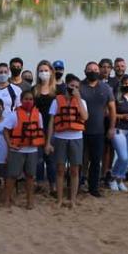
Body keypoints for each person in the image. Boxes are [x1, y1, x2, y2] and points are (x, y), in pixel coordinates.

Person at [46, 74, 87, 208]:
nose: (73, 88)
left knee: (74, 170)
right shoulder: (56, 101)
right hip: (60, 138)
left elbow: (85, 117)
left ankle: (73, 200)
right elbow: (51, 123)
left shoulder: (82, 102)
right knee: (60, 169)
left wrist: (78, 98)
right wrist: (48, 142)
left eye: (76, 87)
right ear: (66, 86)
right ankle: (59, 200)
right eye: (71, 86)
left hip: (76, 138)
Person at [2, 88, 43, 209]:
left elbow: (39, 130)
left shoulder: (38, 115)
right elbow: (5, 130)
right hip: (17, 150)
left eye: (31, 99)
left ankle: (30, 201)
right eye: (26, 99)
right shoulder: (14, 115)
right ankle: (7, 200)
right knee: (12, 176)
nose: (28, 102)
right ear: (21, 100)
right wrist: (9, 144)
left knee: (30, 176)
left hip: (32, 150)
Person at [79, 60, 112, 198]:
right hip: (80, 131)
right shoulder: (79, 87)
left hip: (98, 131)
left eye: (95, 69)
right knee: (81, 160)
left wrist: (112, 127)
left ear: (99, 72)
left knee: (96, 160)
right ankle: (79, 183)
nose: (93, 72)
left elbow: (112, 109)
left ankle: (94, 187)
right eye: (90, 69)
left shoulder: (106, 88)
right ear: (85, 71)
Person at [107, 74, 128, 192]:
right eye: (125, 83)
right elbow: (109, 113)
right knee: (123, 156)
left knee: (127, 157)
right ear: (121, 84)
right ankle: (112, 178)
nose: (127, 85)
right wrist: (122, 116)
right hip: (119, 129)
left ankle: (119, 180)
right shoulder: (116, 97)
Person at [33, 61, 59, 193]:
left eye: (46, 70)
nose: (44, 73)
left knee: (50, 158)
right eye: (41, 70)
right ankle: (38, 183)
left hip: (53, 128)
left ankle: (53, 186)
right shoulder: (34, 90)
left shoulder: (57, 91)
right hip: (37, 128)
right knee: (38, 158)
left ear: (51, 72)